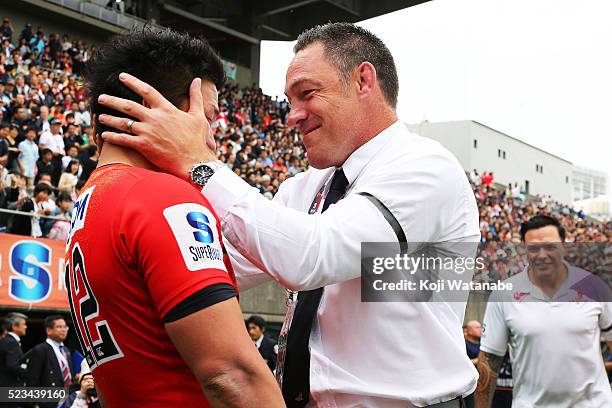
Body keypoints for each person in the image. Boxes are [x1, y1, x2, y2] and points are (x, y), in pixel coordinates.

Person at [98, 22, 480, 407]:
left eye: (307, 94)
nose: (292, 115)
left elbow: (311, 257)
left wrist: (199, 163)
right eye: (289, 100)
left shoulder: (426, 168)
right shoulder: (305, 187)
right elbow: (221, 265)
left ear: (364, 80)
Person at [64, 28, 283, 407]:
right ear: (174, 112)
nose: (212, 138)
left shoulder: (91, 200)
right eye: (209, 118)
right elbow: (230, 375)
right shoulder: (161, 195)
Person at [475, 215, 612, 407]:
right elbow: (488, 362)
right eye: (533, 248)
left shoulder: (594, 286)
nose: (542, 254)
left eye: (550, 246)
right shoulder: (504, 294)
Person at [25, 315, 72, 408]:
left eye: (65, 327)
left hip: (67, 401)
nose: (63, 330)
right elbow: (32, 380)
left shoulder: (66, 350)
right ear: (48, 330)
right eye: (59, 327)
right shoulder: (40, 350)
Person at [0, 313, 28, 387]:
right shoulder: (11, 343)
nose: (26, 327)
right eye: (24, 324)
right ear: (14, 327)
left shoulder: (6, 340)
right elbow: (12, 366)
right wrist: (30, 373)